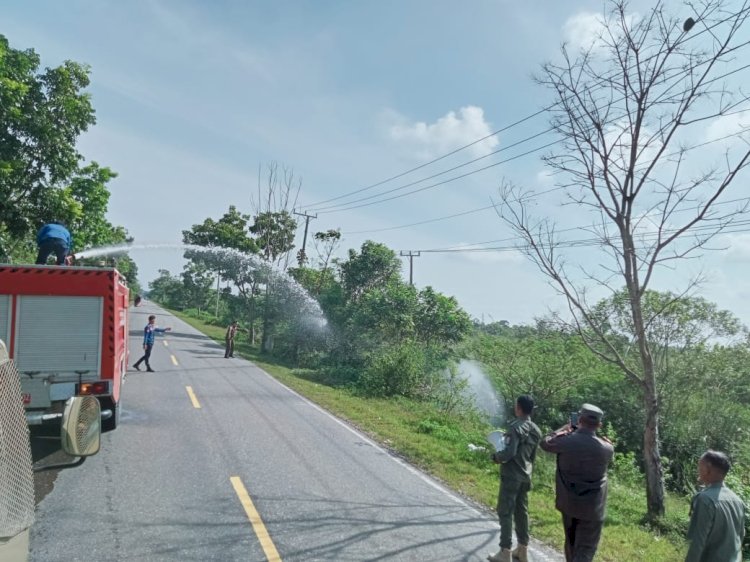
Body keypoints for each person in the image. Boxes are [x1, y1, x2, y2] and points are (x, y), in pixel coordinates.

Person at [539, 403, 614, 562]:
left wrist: (562, 430)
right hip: (592, 509)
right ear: (599, 425)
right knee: (585, 550)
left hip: (568, 504)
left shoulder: (566, 441)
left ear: (579, 419)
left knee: (571, 545)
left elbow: (545, 443)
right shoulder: (607, 448)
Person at [488, 395, 542, 562]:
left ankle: (505, 551)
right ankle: (522, 550)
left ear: (519, 408)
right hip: (526, 476)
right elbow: (532, 458)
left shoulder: (515, 427)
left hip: (511, 476)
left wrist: (496, 457)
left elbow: (509, 453)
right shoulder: (536, 430)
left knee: (505, 511)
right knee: (521, 513)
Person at [685, 450, 746, 562]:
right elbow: (740, 536)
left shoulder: (705, 499)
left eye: (700, 466)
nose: (698, 470)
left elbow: (697, 542)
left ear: (708, 469)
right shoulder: (738, 501)